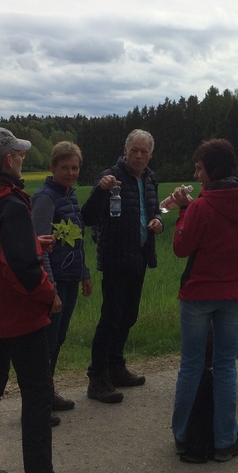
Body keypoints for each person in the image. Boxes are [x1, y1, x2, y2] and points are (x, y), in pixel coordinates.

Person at [0, 127, 90, 473]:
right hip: (17, 315)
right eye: (18, 153)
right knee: (37, 396)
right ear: (6, 160)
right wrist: (49, 295)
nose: (22, 158)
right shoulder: (10, 204)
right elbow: (22, 270)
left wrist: (31, 244)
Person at [169, 139, 238, 462]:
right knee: (225, 366)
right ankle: (225, 440)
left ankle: (183, 435)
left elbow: (181, 247)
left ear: (213, 169)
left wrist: (184, 210)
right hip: (234, 295)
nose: (196, 176)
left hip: (198, 294)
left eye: (199, 169)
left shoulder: (201, 206)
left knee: (191, 365)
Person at [81, 129, 164, 403]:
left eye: (144, 151)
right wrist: (101, 190)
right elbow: (88, 216)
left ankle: (116, 367)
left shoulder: (149, 179)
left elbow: (153, 210)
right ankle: (97, 377)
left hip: (139, 257)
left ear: (150, 154)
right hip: (116, 258)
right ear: (125, 150)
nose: (139, 155)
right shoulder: (110, 177)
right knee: (110, 319)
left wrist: (158, 221)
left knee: (128, 316)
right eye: (134, 150)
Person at [32, 142, 93, 413]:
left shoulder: (70, 197)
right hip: (53, 282)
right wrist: (51, 289)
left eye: (75, 168)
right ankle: (38, 401)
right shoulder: (45, 199)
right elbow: (39, 248)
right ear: (52, 168)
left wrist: (84, 274)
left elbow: (77, 242)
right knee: (46, 343)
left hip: (70, 279)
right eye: (65, 168)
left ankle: (47, 393)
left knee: (57, 339)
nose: (71, 173)